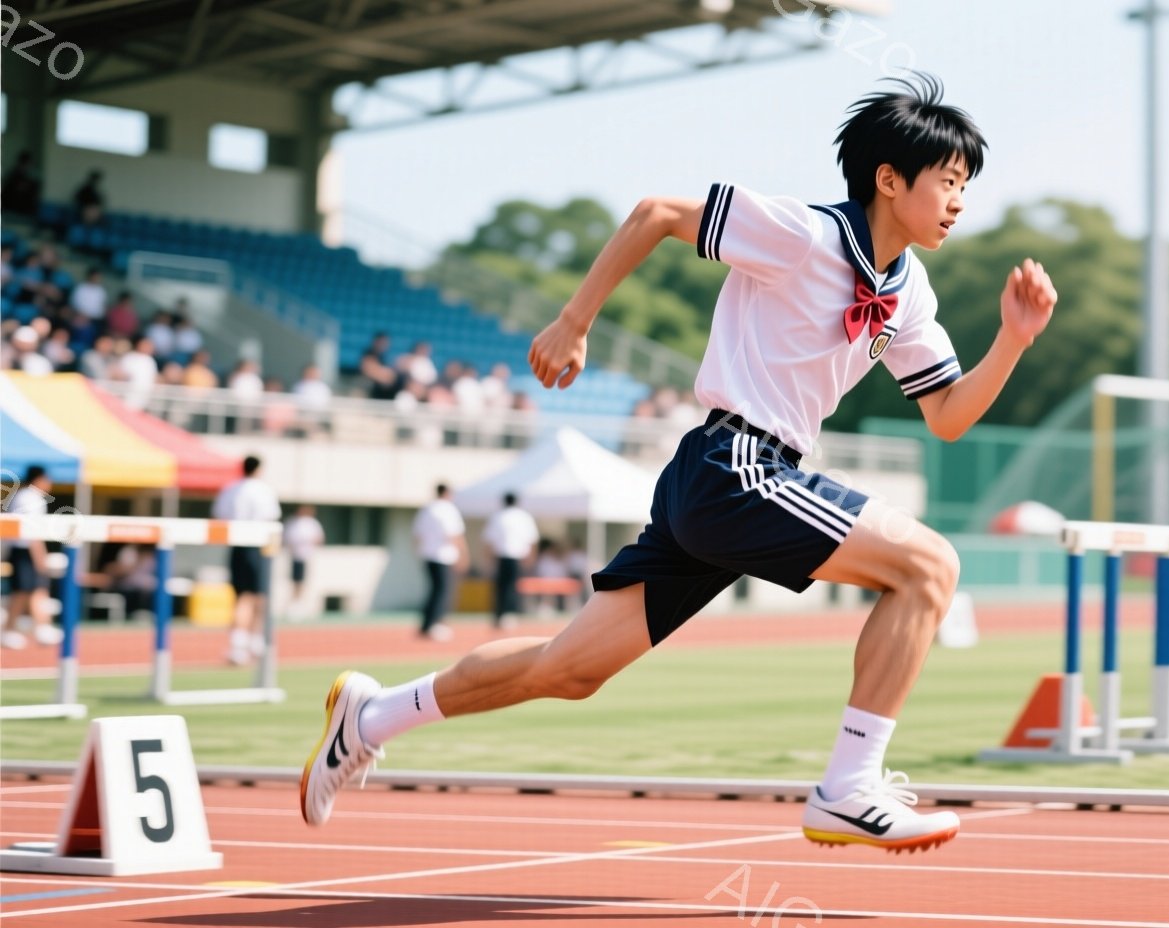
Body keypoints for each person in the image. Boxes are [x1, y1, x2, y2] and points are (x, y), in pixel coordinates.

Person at [300, 74, 1055, 854]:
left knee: (569, 669)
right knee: (930, 566)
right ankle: (849, 787)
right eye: (950, 183)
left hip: (739, 483)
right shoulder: (805, 233)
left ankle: (373, 714)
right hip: (736, 465)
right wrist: (573, 320)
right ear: (889, 181)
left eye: (967, 186)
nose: (961, 201)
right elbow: (656, 215)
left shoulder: (910, 292)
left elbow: (950, 416)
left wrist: (1014, 340)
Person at [212, 456, 283, 665]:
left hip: (237, 544)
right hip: (258, 544)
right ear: (259, 469)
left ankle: (242, 646)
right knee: (257, 597)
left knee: (242, 597)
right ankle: (251, 644)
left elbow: (219, 515)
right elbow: (271, 516)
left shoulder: (230, 489)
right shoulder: (263, 489)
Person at [3, 466, 65, 650]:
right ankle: (9, 630)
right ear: (39, 479)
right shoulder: (30, 498)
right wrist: (40, 558)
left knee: (37, 589)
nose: (50, 484)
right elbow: (32, 533)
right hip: (24, 550)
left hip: (22, 550)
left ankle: (42, 627)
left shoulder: (26, 496)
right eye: (48, 480)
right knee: (22, 592)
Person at [411, 484, 466, 641]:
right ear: (448, 493)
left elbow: (417, 534)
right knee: (443, 591)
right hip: (444, 556)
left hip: (428, 555)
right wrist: (462, 555)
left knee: (433, 590)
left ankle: (426, 624)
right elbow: (454, 534)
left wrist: (420, 551)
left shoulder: (427, 509)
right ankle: (436, 623)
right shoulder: (448, 509)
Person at [481, 492, 538, 631]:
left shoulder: (497, 516)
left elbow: (489, 541)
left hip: (501, 557)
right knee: (512, 587)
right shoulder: (524, 517)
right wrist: (531, 558)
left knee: (500, 588)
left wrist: (488, 560)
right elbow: (532, 540)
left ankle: (498, 615)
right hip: (517, 557)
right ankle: (509, 615)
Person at [284, 505, 325, 619]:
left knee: (303, 582)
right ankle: (293, 605)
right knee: (295, 582)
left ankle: (301, 605)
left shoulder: (312, 523)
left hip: (307, 556)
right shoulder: (293, 522)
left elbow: (319, 538)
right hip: (295, 556)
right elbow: (287, 539)